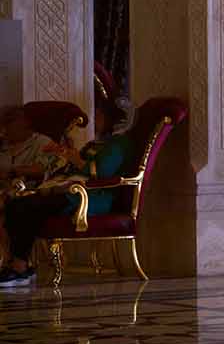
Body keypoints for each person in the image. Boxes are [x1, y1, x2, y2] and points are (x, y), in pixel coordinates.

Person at [0, 103, 135, 289]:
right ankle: (19, 265)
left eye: (99, 116)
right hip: (73, 191)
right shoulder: (96, 143)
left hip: (93, 197)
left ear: (112, 119)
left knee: (26, 206)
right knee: (17, 204)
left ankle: (20, 268)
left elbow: (101, 172)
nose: (95, 120)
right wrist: (65, 157)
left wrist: (75, 159)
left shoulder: (119, 144)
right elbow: (77, 165)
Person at [0, 107, 60, 183]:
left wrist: (13, 172)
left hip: (29, 188)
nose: (4, 131)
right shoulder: (4, 144)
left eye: (9, 123)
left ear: (24, 124)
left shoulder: (42, 142)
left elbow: (43, 169)